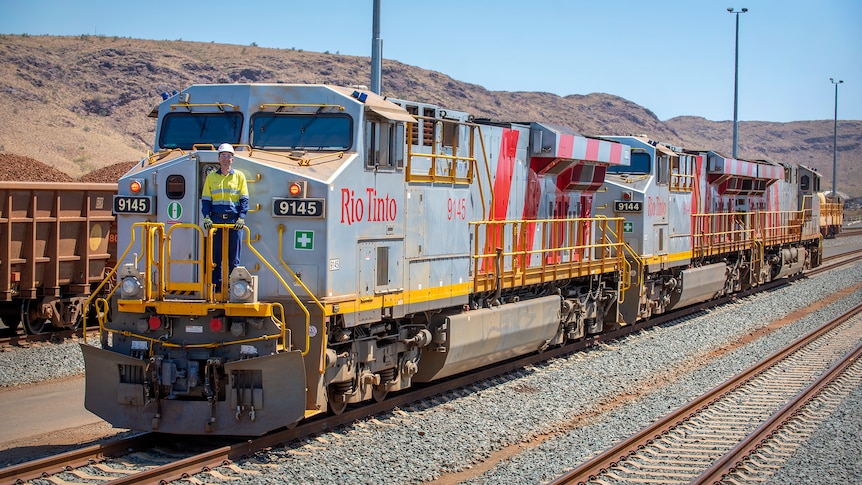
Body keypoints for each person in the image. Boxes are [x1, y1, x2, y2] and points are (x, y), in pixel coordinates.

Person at [200, 143, 249, 292]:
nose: (226, 159)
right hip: (216, 221)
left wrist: (241, 217)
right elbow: (206, 200)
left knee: (234, 258)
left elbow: (244, 199)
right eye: (223, 156)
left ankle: (234, 288)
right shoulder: (211, 177)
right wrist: (207, 218)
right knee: (216, 257)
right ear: (218, 158)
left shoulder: (239, 176)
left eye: (228, 156)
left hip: (234, 222)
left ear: (232, 159)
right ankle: (217, 288)